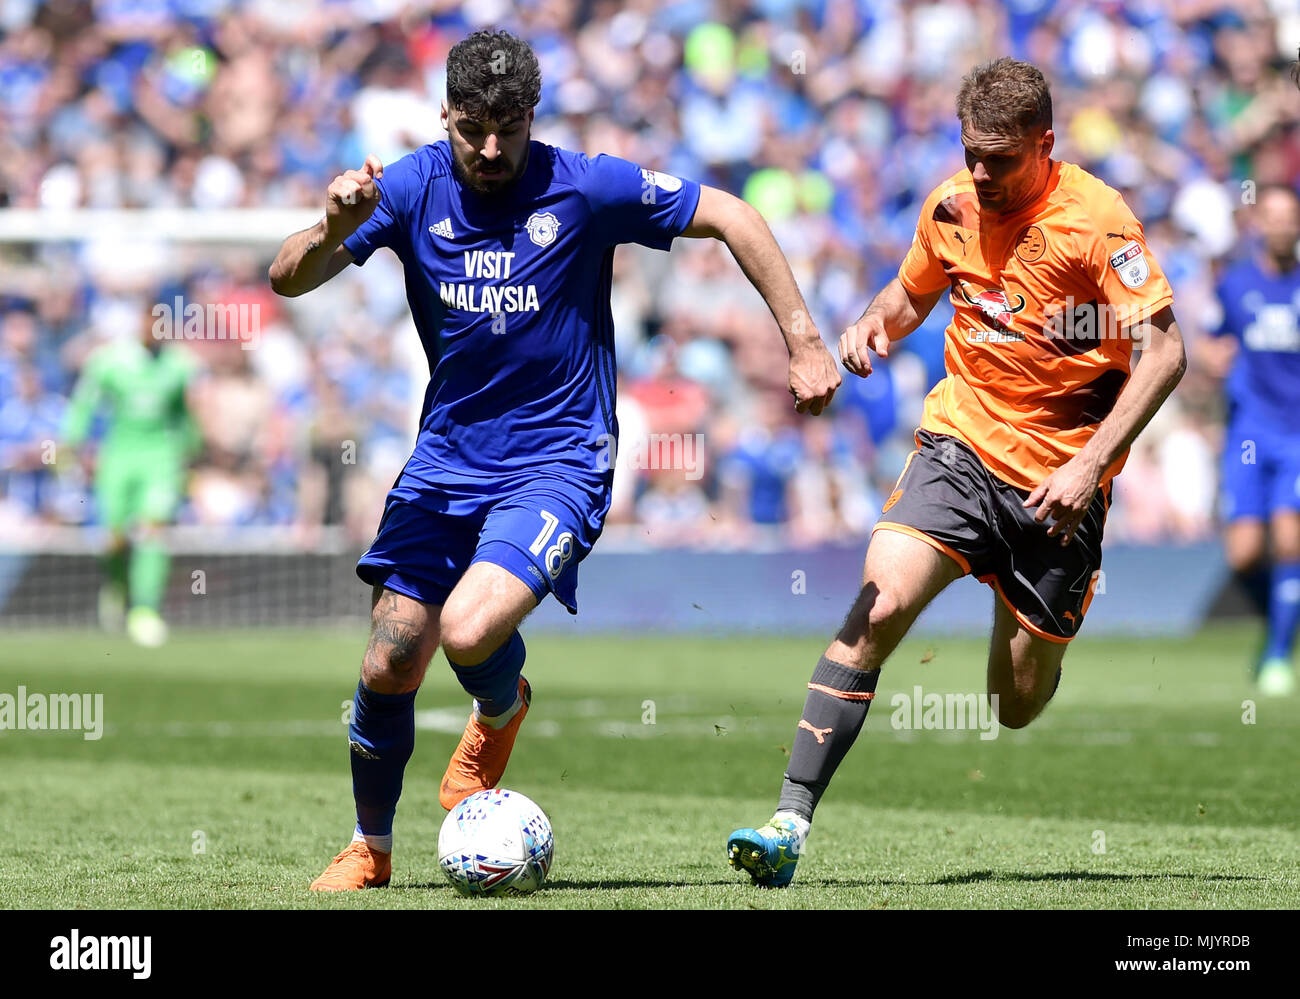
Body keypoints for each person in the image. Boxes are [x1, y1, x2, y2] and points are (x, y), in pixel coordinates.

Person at [268, 28, 840, 891]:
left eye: (511, 127)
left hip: (560, 459)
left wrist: (802, 341)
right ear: (445, 116)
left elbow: (734, 214)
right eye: (474, 130)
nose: (493, 149)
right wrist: (331, 227)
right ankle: (370, 847)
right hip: (447, 456)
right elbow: (286, 278)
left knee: (466, 629)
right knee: (389, 657)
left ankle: (499, 704)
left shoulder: (584, 185)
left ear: (533, 117)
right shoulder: (411, 185)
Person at [727, 57, 1187, 888]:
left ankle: (1026, 622)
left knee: (1012, 703)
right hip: (960, 448)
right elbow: (910, 294)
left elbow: (1167, 350)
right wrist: (872, 325)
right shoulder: (951, 206)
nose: (981, 173)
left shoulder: (1098, 224)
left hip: (1059, 485)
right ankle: (788, 821)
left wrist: (1090, 465)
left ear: (1045, 145)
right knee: (880, 600)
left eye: (1001, 159)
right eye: (970, 151)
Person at [1203, 183, 1300, 696]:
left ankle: (1279, 655)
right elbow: (1209, 335)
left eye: (1291, 217)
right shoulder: (1237, 285)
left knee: (1290, 541)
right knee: (1243, 553)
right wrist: (1214, 355)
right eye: (1275, 216)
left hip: (1296, 436)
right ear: (1260, 222)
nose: (1283, 225)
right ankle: (1283, 615)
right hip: (1249, 433)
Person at [61, 302, 200, 647]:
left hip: (160, 457)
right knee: (114, 538)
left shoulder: (178, 365)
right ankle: (119, 584)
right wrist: (73, 444)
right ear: (139, 323)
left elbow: (183, 413)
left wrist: (191, 451)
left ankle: (145, 610)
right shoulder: (109, 361)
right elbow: (84, 403)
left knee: (153, 530)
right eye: (150, 321)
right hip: (119, 456)